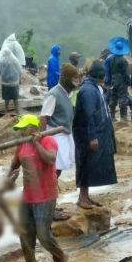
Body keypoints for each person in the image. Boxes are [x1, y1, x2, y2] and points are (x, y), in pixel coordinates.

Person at [7, 115, 69, 262]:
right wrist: (8, 179)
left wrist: (36, 143)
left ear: (33, 128)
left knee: (43, 235)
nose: (20, 132)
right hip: (27, 195)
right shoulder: (21, 145)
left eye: (23, 128)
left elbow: (50, 159)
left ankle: (61, 259)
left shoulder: (48, 140)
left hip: (45, 195)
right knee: (24, 234)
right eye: (19, 129)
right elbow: (14, 164)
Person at [73, 60, 117, 210]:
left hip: (97, 132)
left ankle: (85, 196)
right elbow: (89, 115)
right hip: (87, 135)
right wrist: (92, 137)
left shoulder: (95, 88)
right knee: (86, 164)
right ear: (101, 76)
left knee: (92, 165)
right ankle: (82, 198)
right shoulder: (89, 91)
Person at [40, 63, 80, 220]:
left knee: (57, 173)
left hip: (65, 136)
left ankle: (50, 205)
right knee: (52, 173)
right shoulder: (54, 94)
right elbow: (44, 117)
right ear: (65, 79)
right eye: (74, 78)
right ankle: (49, 208)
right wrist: (43, 140)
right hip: (55, 137)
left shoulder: (68, 94)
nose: (76, 81)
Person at [107, 36, 131, 122]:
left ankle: (112, 116)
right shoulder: (123, 61)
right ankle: (123, 117)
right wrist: (129, 82)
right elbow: (125, 73)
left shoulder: (110, 59)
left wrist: (109, 81)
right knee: (122, 98)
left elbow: (108, 71)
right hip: (121, 81)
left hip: (113, 80)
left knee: (113, 97)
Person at [0, 44, 22, 115]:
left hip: (5, 83)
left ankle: (6, 110)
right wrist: (20, 79)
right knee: (15, 98)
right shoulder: (15, 60)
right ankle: (18, 112)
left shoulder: (2, 60)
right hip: (14, 83)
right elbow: (20, 70)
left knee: (6, 98)